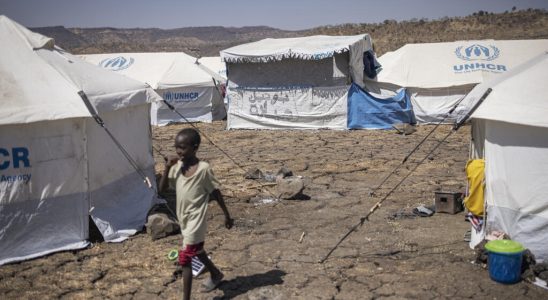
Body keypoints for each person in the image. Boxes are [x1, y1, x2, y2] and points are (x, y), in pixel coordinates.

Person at [159, 128, 233, 300]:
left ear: (195, 147)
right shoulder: (176, 168)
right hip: (183, 218)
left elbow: (216, 193)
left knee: (185, 258)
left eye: (183, 148)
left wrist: (227, 215)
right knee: (197, 249)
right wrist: (166, 166)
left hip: (196, 220)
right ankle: (215, 274)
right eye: (177, 147)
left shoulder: (203, 169)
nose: (178, 151)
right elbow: (162, 190)